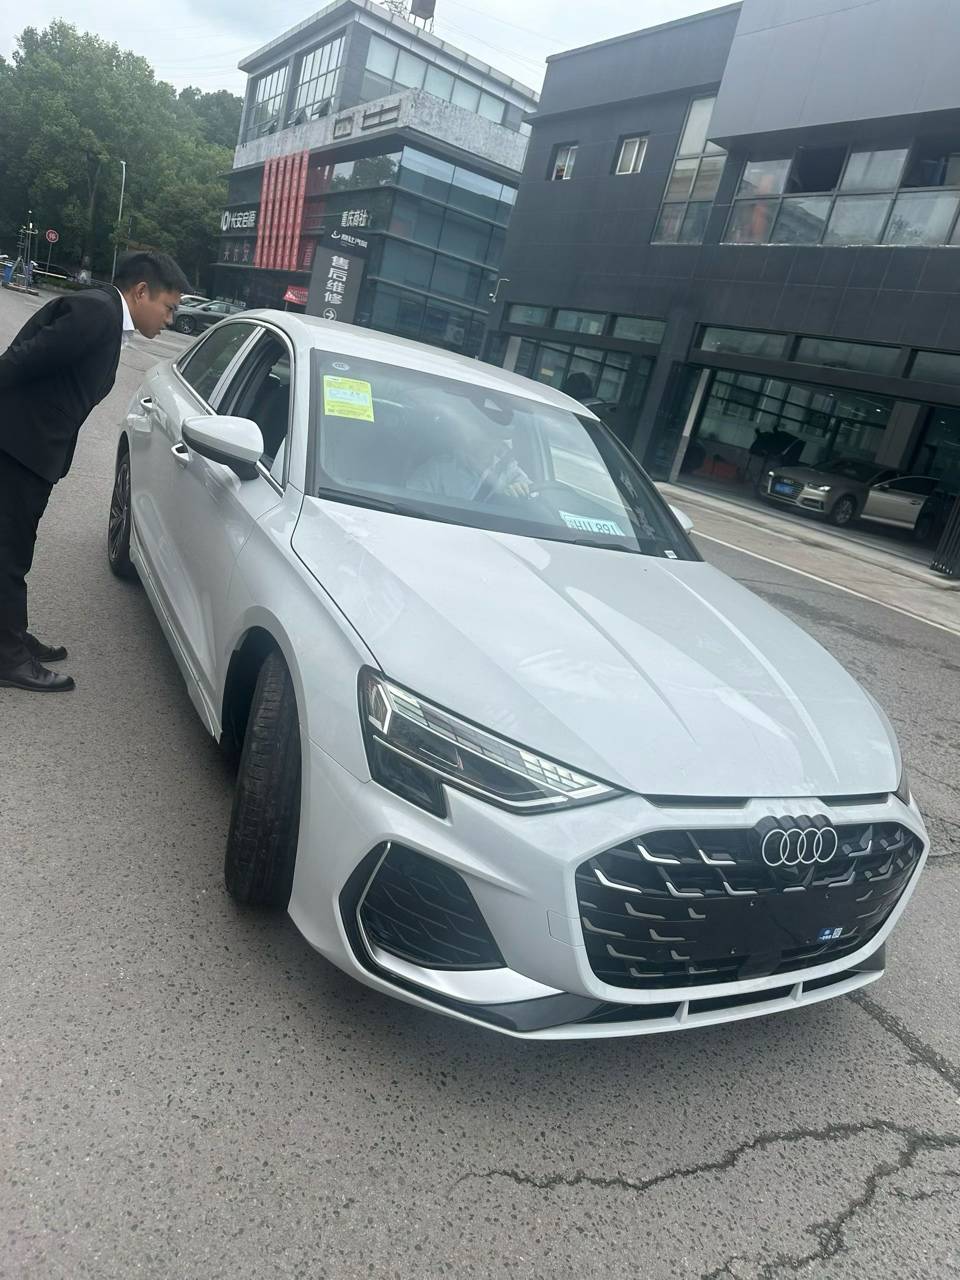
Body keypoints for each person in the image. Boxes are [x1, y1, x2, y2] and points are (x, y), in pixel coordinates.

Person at [0, 250, 189, 693]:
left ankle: (11, 636)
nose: (170, 320)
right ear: (141, 292)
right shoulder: (97, 313)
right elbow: (21, 361)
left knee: (14, 549)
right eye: (168, 308)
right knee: (8, 552)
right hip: (17, 448)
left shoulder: (105, 316)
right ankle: (7, 657)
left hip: (29, 449)